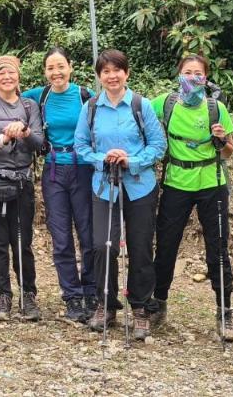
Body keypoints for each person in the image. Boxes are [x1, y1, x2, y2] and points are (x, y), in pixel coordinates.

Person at [73, 49, 165, 341]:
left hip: (140, 185)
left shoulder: (141, 105)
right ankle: (106, 304)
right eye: (105, 72)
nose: (112, 76)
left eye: (117, 70)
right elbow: (81, 146)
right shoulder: (90, 108)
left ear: (127, 72)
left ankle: (140, 308)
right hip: (104, 185)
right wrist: (104, 158)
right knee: (102, 245)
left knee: (139, 248)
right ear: (99, 76)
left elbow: (158, 145)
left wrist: (131, 160)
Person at [148, 54, 233, 337]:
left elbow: (229, 151)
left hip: (212, 182)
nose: (193, 78)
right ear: (179, 76)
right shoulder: (166, 103)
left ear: (206, 78)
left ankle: (225, 313)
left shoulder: (216, 108)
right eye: (188, 73)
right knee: (166, 246)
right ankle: (158, 305)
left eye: (199, 74)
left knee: (218, 248)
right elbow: (138, 115)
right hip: (176, 182)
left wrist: (221, 140)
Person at [22, 47, 96, 323]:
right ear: (45, 72)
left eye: (61, 66)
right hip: (53, 171)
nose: (56, 73)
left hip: (84, 170)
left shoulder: (85, 95)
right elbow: (7, 93)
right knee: (61, 238)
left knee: (88, 235)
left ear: (71, 67)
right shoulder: (39, 96)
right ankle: (72, 297)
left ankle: (91, 292)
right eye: (51, 68)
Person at [0, 54, 45, 322]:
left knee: (22, 241)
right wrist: (3, 138)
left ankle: (28, 294)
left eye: (11, 73)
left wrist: (24, 133)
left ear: (18, 76)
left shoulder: (29, 106)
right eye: (1, 73)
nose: (6, 77)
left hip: (21, 180)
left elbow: (39, 142)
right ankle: (2, 295)